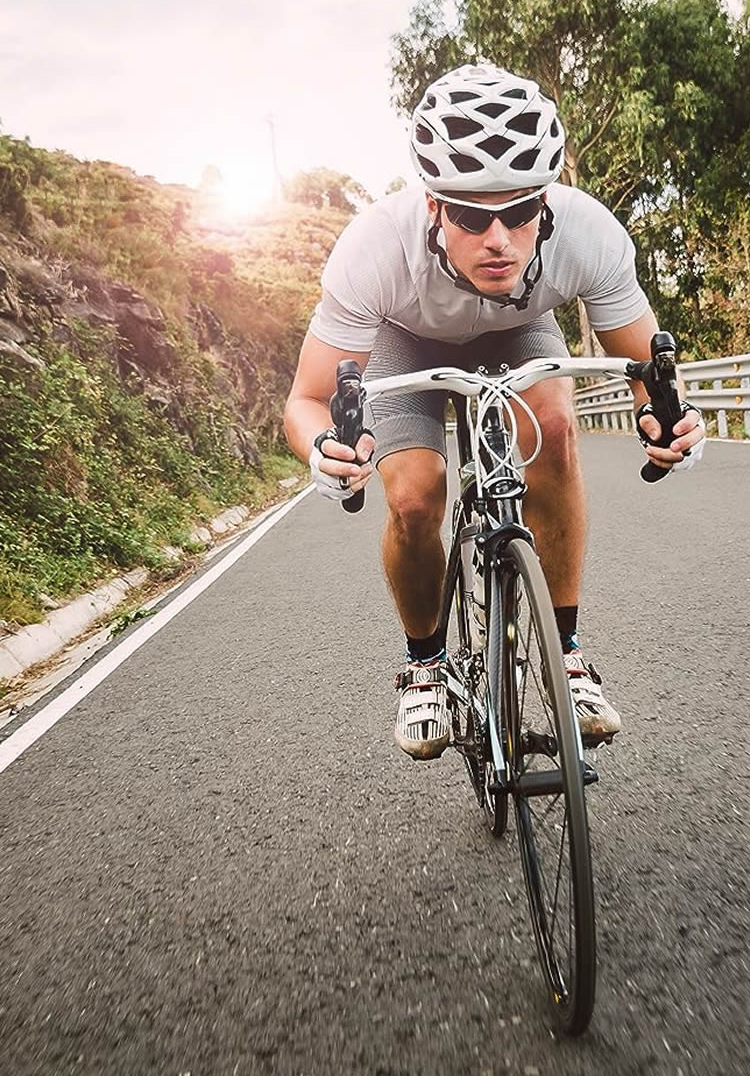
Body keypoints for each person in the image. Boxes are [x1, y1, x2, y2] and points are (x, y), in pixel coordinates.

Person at [284, 63, 705, 761]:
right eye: (474, 217)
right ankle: (424, 665)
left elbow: (649, 371)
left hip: (520, 332)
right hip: (406, 340)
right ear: (432, 207)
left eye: (520, 212)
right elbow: (304, 400)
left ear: (546, 202)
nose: (500, 239)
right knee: (417, 496)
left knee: (558, 432)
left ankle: (566, 657)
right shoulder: (374, 249)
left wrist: (670, 421)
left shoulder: (586, 233)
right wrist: (322, 450)